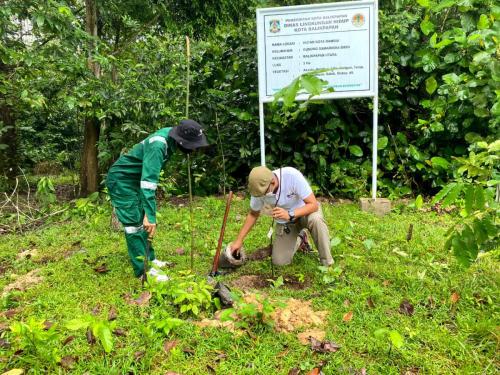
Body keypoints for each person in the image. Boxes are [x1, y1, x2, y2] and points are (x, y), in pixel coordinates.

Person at [106, 119, 208, 280]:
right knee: (133, 224)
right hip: (122, 181)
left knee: (142, 221)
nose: (194, 149)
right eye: (193, 145)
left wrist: (148, 214)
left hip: (134, 180)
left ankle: (150, 259)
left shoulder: (170, 137)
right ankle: (143, 271)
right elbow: (148, 184)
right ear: (182, 140)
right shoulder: (158, 145)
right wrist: (150, 215)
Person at [230, 166, 333, 267]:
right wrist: (239, 240)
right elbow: (253, 214)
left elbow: (313, 205)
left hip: (306, 211)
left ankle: (327, 262)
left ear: (273, 182)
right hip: (286, 222)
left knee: (316, 220)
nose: (262, 196)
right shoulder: (258, 189)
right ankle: (301, 238)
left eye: (264, 193)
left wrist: (290, 214)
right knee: (279, 261)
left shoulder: (291, 175)